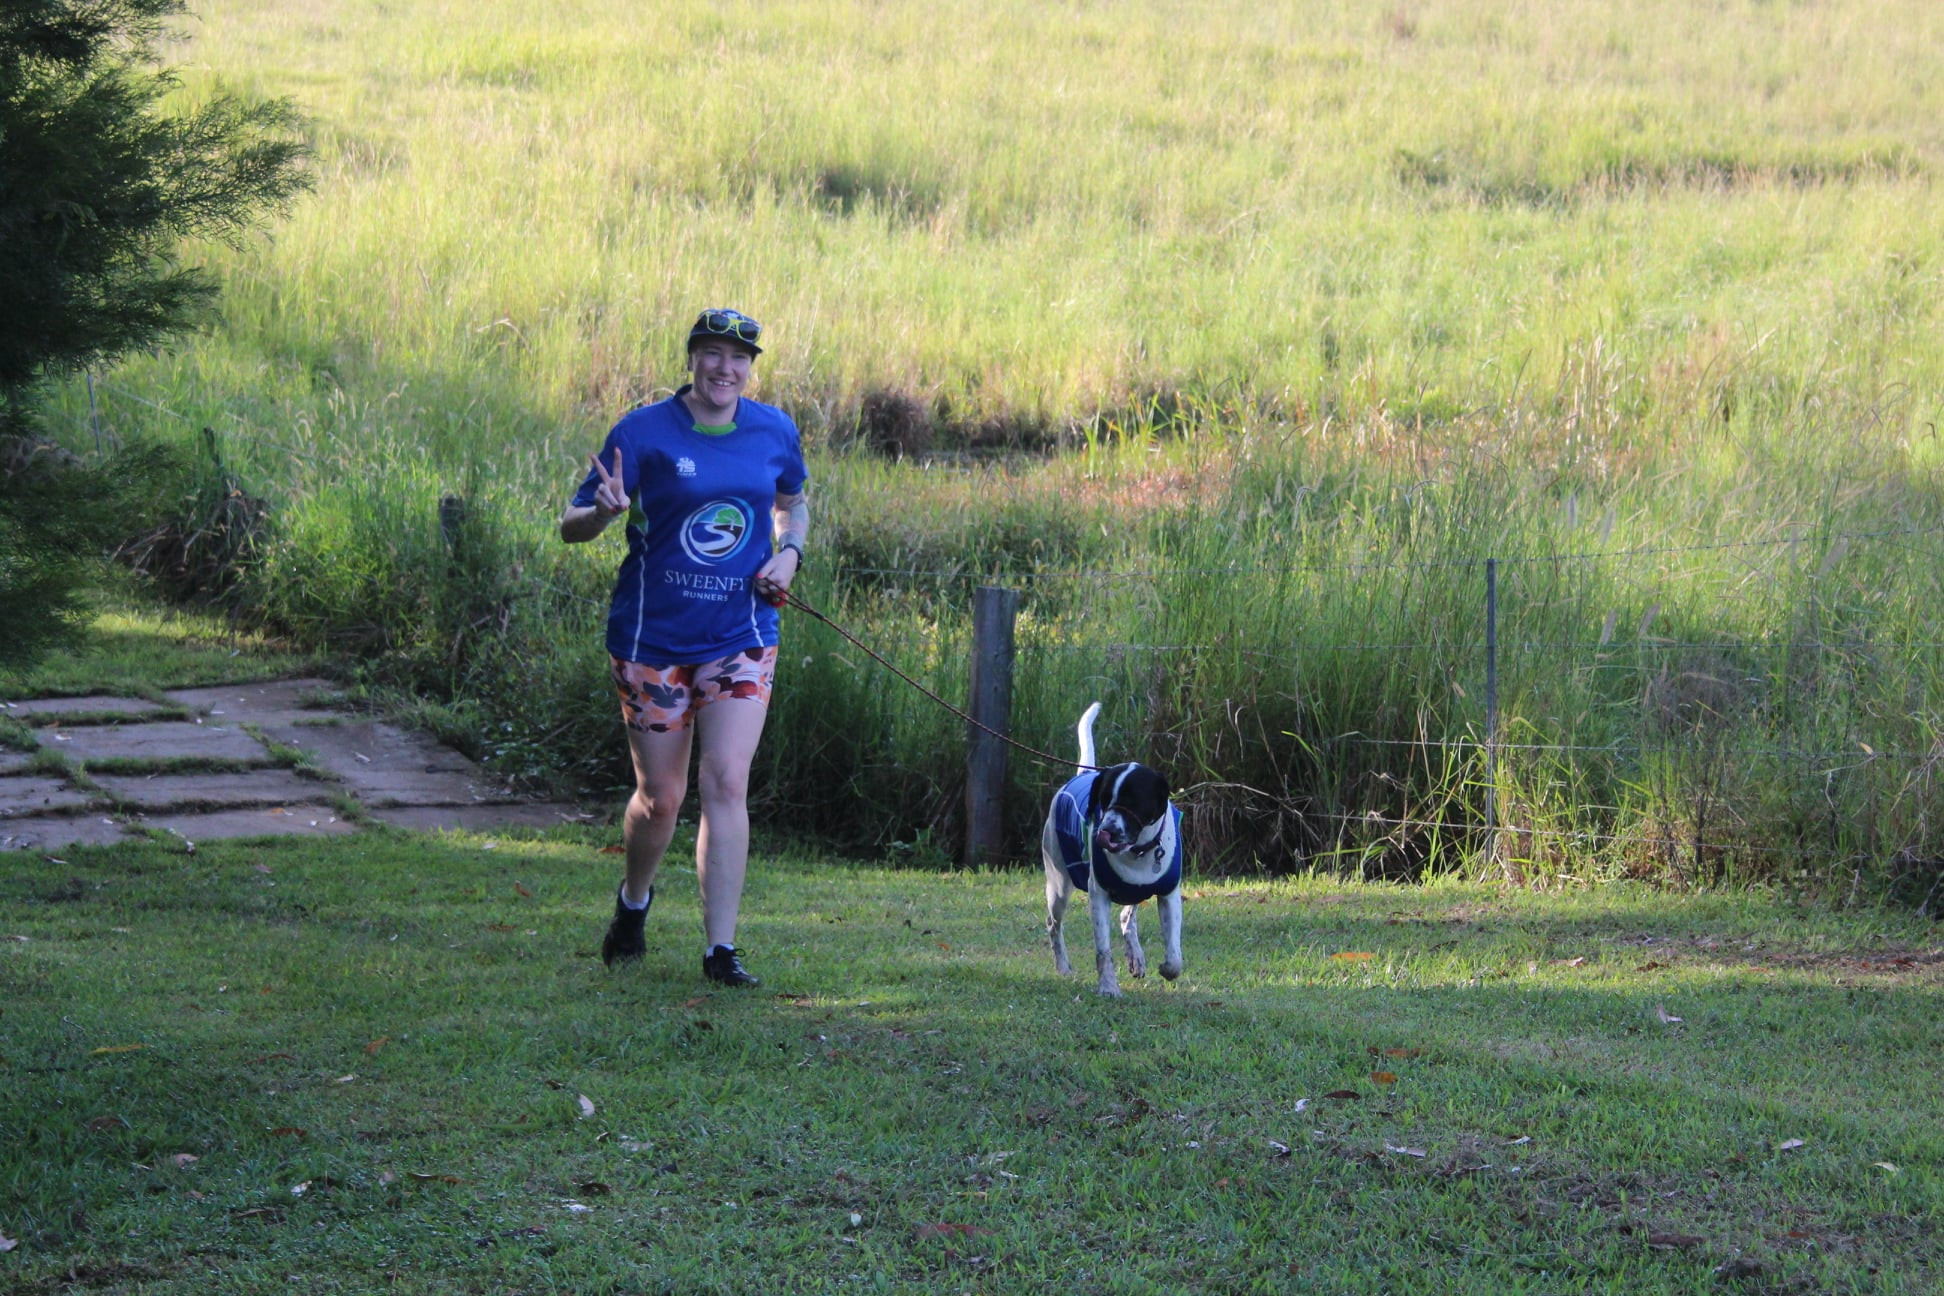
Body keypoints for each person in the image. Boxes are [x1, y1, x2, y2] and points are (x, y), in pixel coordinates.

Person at [561, 308, 807, 987]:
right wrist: (603, 514)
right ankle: (633, 902)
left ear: (751, 368)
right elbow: (570, 525)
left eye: (739, 357)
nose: (725, 368)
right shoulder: (642, 433)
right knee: (660, 798)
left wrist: (788, 554)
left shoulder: (773, 430)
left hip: (742, 633)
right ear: (692, 359)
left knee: (727, 779)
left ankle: (719, 951)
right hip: (653, 639)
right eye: (712, 354)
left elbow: (793, 501)